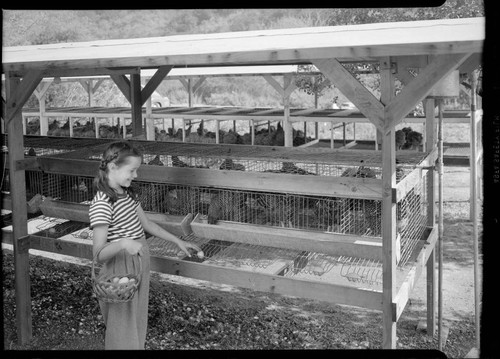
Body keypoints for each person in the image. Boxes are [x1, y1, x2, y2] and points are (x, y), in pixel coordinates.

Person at [89, 140, 201, 350]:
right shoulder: (102, 203)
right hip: (119, 266)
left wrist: (178, 241)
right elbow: (98, 254)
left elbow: (147, 224)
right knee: (122, 324)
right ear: (113, 167)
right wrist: (123, 243)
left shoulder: (128, 195)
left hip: (139, 260)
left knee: (137, 317)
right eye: (132, 170)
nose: (136, 175)